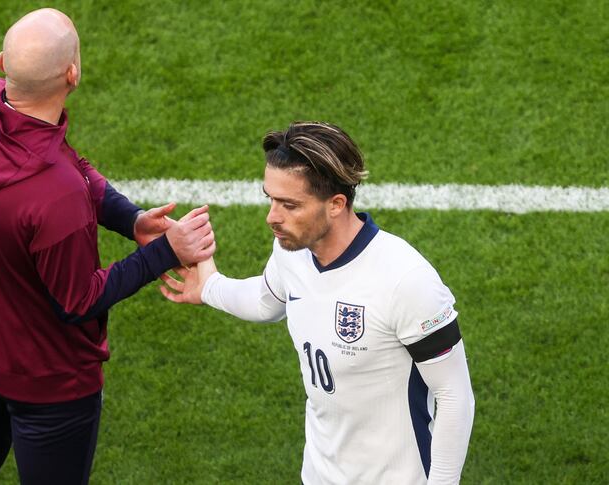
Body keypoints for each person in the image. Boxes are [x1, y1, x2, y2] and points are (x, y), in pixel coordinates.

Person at [0, 8, 215, 484]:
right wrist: (165, 252)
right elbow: (77, 300)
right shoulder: (56, 196)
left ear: (2, 63)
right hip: (48, 383)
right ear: (72, 74)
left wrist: (129, 218)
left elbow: (67, 162)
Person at [161, 121, 475, 484]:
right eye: (271, 199)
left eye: (289, 205)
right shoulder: (291, 251)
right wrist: (210, 287)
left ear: (336, 204)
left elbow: (455, 396)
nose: (272, 217)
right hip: (319, 475)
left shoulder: (406, 281)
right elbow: (267, 300)